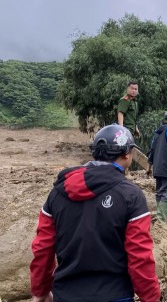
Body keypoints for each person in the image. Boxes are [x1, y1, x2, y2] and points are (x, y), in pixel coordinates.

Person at [30, 124, 160, 302]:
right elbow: (140, 257)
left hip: (66, 295)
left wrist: (41, 290)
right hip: (115, 295)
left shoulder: (58, 193)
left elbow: (43, 249)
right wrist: (150, 298)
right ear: (127, 153)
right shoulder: (131, 195)